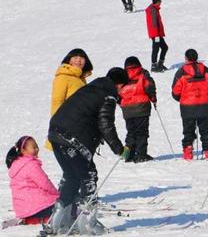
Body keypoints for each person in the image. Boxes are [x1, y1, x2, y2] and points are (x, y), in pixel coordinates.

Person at [47, 68, 130, 235]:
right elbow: (105, 124)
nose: (122, 92)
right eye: (123, 88)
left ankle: (58, 222)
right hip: (72, 138)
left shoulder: (92, 88)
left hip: (56, 133)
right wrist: (120, 149)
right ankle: (87, 223)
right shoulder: (108, 95)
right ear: (119, 85)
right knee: (88, 176)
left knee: (72, 176)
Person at [172, 49, 208, 160]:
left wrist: (181, 99)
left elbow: (175, 91)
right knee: (205, 128)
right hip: (204, 104)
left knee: (188, 129)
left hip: (187, 106)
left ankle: (188, 151)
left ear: (186, 58)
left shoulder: (181, 71)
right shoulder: (205, 70)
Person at [46, 49, 93, 151]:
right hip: (66, 125)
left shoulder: (81, 80)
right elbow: (57, 101)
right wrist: (56, 127)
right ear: (69, 60)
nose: (78, 60)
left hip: (80, 126)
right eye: (75, 57)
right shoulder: (63, 77)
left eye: (81, 58)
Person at [6, 136, 58, 225]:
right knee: (64, 206)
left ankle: (33, 219)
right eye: (33, 147)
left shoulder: (16, 164)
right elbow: (45, 183)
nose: (37, 149)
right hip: (37, 207)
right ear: (23, 150)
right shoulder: (31, 165)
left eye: (36, 146)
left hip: (22, 210)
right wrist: (57, 194)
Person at [120, 56, 156, 163]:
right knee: (142, 132)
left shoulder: (122, 76)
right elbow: (149, 87)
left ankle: (128, 154)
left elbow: (118, 91)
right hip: (141, 108)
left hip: (127, 109)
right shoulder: (142, 74)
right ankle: (141, 154)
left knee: (131, 132)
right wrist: (153, 98)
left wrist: (121, 103)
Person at [146, 0, 168, 73]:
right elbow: (154, 24)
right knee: (156, 48)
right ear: (157, 2)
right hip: (156, 34)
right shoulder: (153, 10)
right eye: (160, 1)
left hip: (156, 34)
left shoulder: (153, 8)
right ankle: (154, 66)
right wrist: (157, 35)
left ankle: (159, 64)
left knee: (164, 47)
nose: (161, 3)